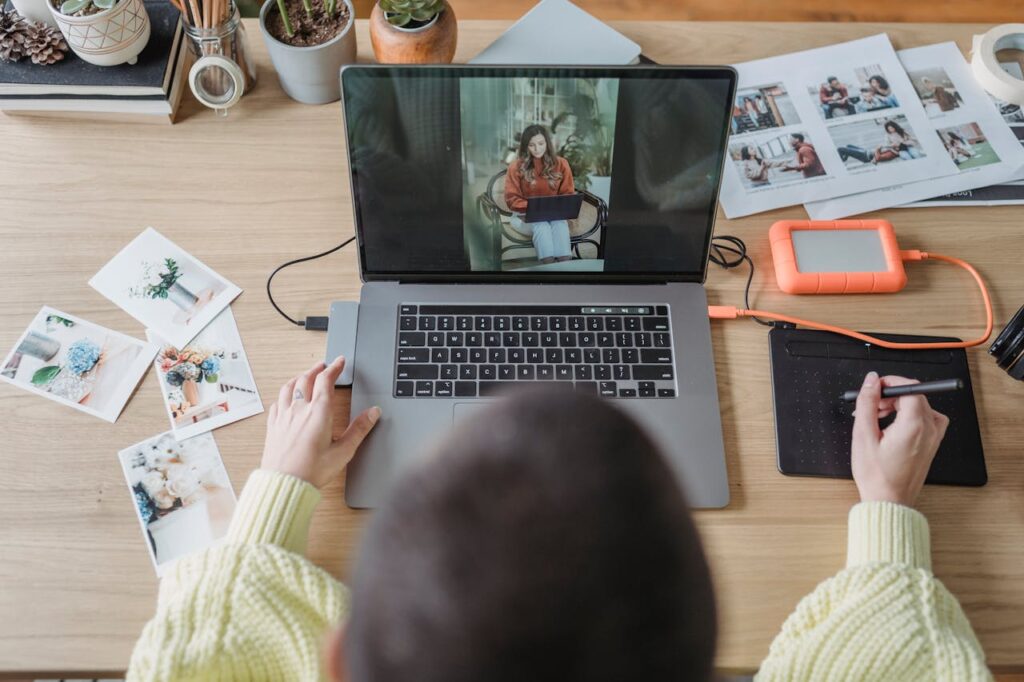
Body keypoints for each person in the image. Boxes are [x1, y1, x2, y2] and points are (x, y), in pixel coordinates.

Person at [126, 359, 993, 681]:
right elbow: (901, 652)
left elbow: (211, 643)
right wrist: (887, 514)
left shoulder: (218, 648)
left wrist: (280, 481)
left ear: (339, 656)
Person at [503, 124, 575, 264]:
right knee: (541, 224)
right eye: (532, 145)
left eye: (541, 143)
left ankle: (564, 266)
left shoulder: (561, 164)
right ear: (525, 146)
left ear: (547, 143)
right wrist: (533, 208)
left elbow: (568, 195)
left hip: (554, 215)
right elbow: (512, 199)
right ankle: (547, 267)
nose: (537, 149)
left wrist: (550, 209)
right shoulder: (515, 166)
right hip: (523, 217)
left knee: (559, 223)